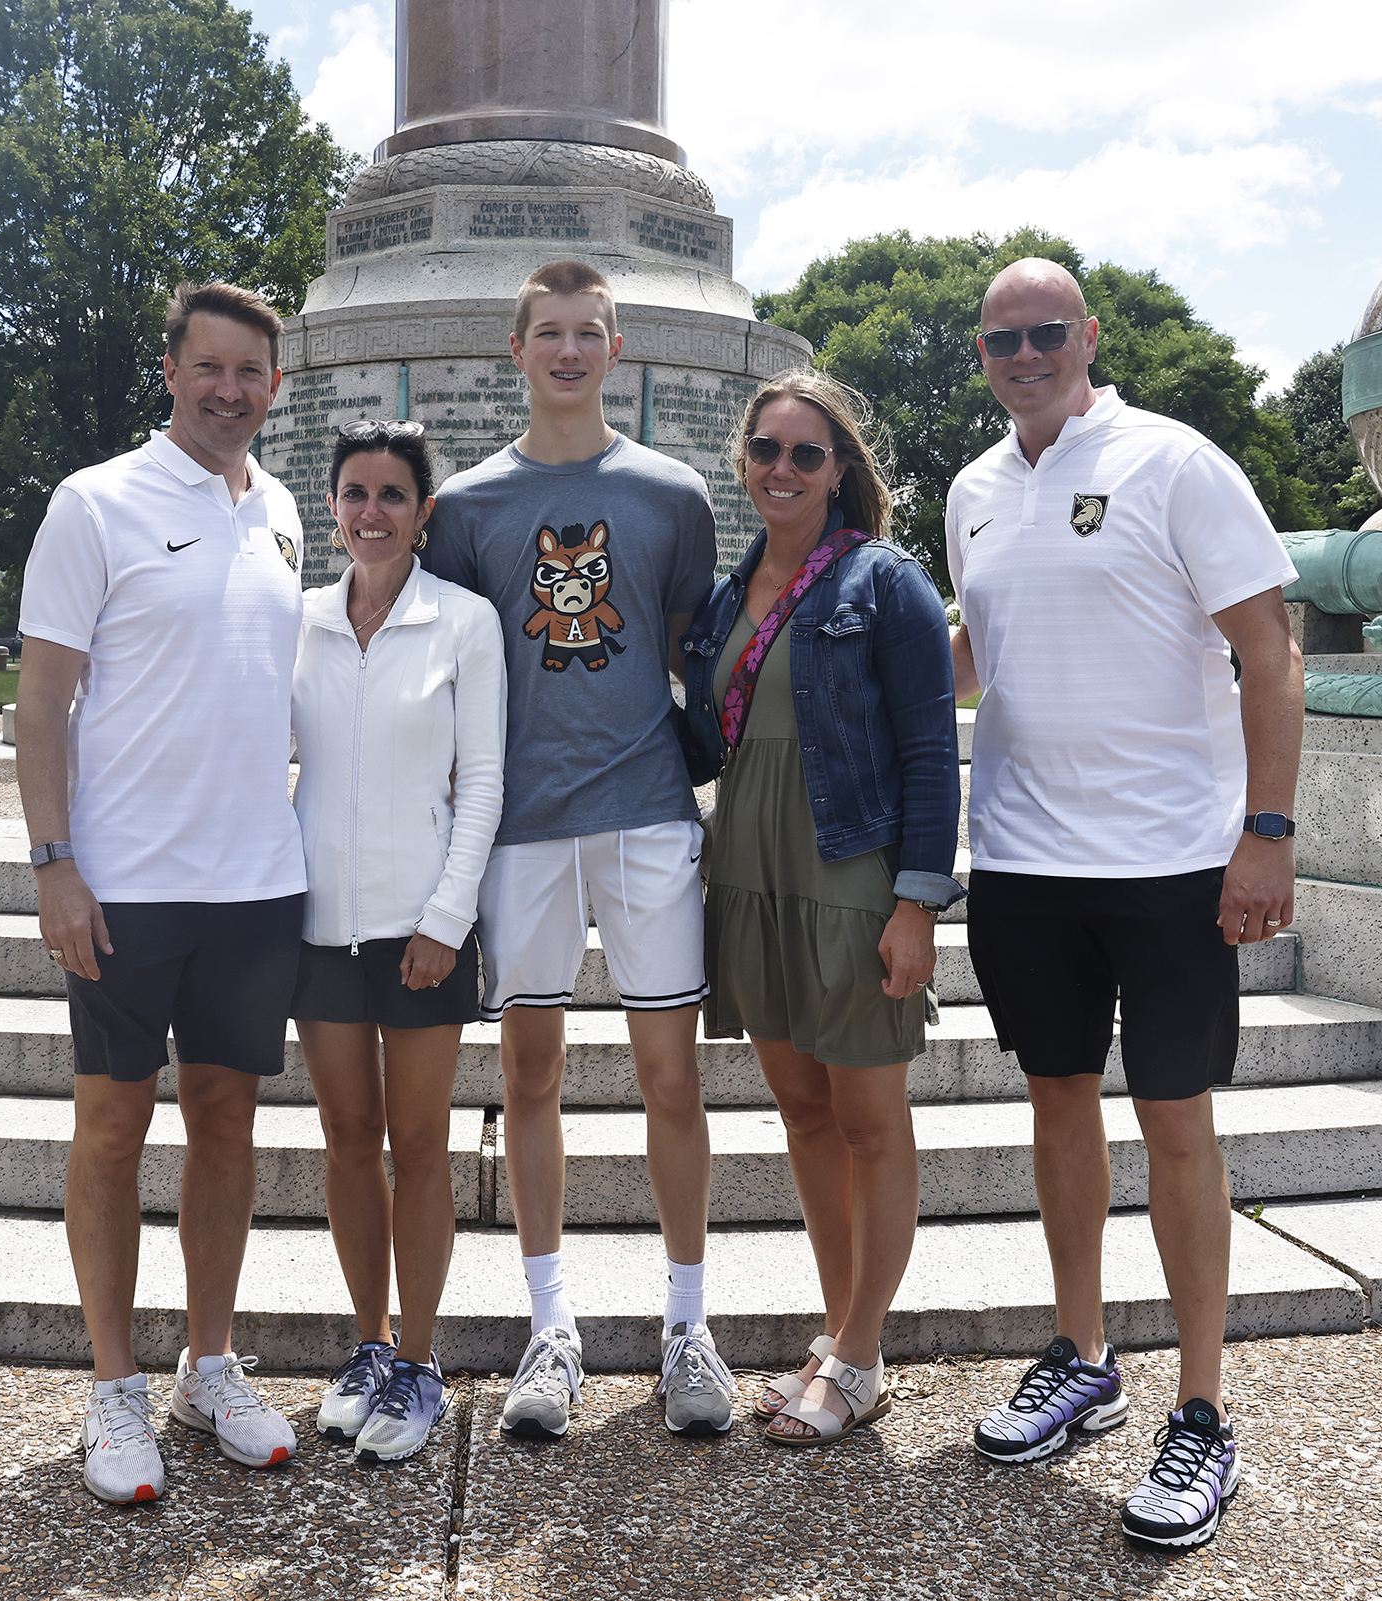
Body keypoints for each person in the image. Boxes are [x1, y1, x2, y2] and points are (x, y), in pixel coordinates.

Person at [946, 258, 1304, 1548]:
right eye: (1003, 338)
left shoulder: (1175, 461)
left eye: (1048, 332)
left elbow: (1270, 649)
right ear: (980, 353)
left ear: (1088, 336)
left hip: (1169, 860)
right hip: (1027, 859)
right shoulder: (973, 490)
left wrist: (1265, 831)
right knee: (1057, 1107)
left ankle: (1202, 1409)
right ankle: (1084, 1352)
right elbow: (977, 653)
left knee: (1177, 1123)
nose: (1027, 353)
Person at [419, 259, 732, 1438]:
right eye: (547, 331)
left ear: (616, 347)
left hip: (648, 810)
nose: (567, 349)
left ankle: (686, 1326)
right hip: (524, 826)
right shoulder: (468, 508)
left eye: (586, 331)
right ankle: (552, 1328)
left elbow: (702, 657)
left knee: (672, 1077)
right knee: (530, 1077)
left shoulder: (672, 494)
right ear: (517, 349)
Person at [17, 280, 310, 1505]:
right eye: (211, 367)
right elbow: (41, 702)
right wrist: (55, 865)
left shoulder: (288, 509)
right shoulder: (96, 501)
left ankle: (210, 1362)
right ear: (175, 372)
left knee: (230, 1124)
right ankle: (111, 1386)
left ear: (274, 387)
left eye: (252, 372)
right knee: (111, 1129)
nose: (230, 390)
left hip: (255, 879)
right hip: (128, 882)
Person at [677, 371, 961, 1446]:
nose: (782, 469)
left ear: (840, 469)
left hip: (849, 875)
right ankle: (848, 1331)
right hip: (748, 872)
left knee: (872, 1124)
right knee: (803, 1115)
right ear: (743, 462)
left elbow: (933, 753)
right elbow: (704, 741)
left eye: (806, 452)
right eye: (766, 449)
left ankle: (860, 1351)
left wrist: (918, 902)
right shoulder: (722, 595)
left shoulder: (885, 584)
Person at [292, 420, 506, 1465]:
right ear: (330, 505)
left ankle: (419, 1359)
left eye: (390, 493)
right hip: (318, 922)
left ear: (424, 512)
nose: (370, 510)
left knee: (419, 1145)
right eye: (353, 491)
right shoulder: (300, 625)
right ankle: (369, 1344)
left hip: (422, 928)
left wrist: (446, 917)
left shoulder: (463, 622)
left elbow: (485, 785)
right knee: (345, 1139)